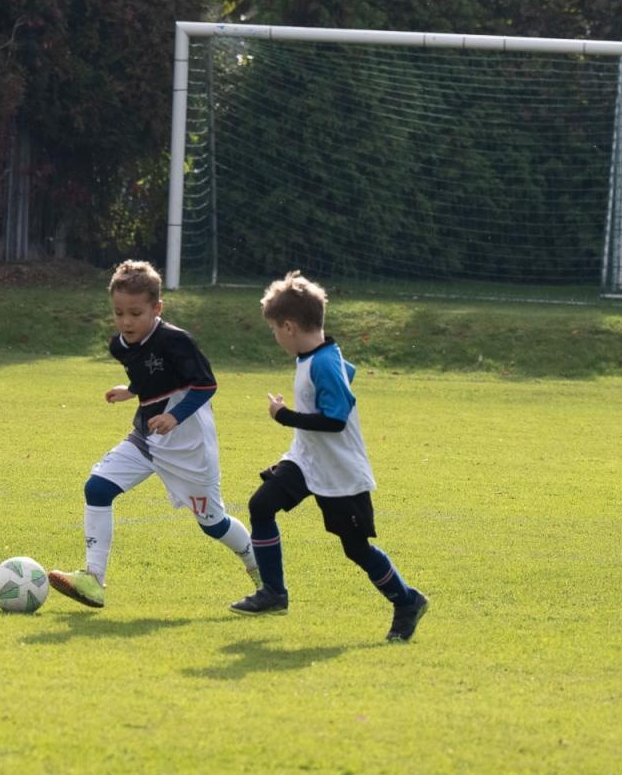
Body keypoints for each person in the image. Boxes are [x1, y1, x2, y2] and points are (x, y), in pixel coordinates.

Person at [229, 271, 428, 642]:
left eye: (274, 328)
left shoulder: (321, 362)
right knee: (262, 505)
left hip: (340, 472)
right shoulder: (318, 356)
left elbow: (335, 421)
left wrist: (284, 416)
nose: (275, 336)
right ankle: (274, 592)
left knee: (356, 549)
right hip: (306, 462)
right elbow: (344, 375)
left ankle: (407, 601)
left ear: (289, 326)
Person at [47, 260, 259, 608]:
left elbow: (206, 385)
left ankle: (258, 565)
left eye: (135, 313)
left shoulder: (177, 341)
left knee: (213, 524)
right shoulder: (120, 346)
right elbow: (151, 374)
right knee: (97, 487)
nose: (126, 322)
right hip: (147, 438)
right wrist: (132, 390)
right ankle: (94, 580)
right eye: (118, 313)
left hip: (189, 447)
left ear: (157, 308)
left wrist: (175, 416)